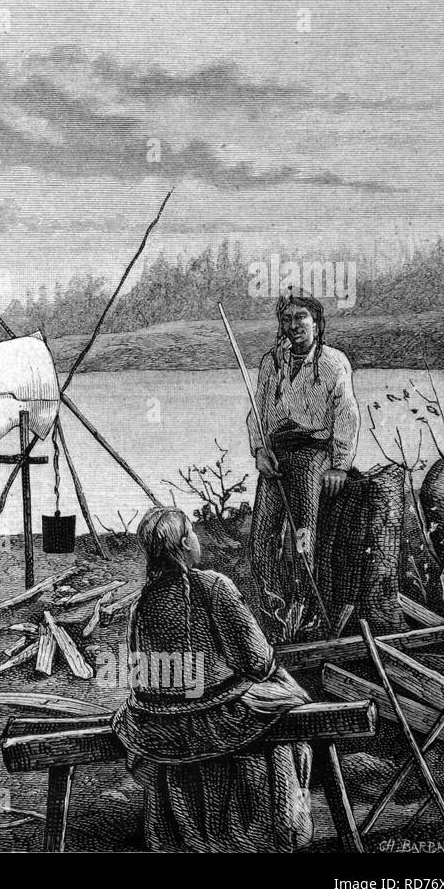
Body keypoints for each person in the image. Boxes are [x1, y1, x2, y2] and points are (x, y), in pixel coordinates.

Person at [113, 508, 314, 852]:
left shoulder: (140, 604)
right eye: (191, 532)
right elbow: (258, 660)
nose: (196, 538)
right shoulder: (216, 586)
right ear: (183, 543)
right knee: (286, 698)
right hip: (222, 717)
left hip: (162, 727)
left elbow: (142, 679)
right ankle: (267, 825)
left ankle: (193, 833)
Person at [246, 291, 359, 635]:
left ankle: (305, 610)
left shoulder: (332, 362)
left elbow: (347, 414)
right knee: (262, 536)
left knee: (303, 536)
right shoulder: (271, 362)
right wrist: (260, 451)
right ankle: (273, 609)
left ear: (316, 322)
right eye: (287, 319)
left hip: (315, 452)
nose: (293, 326)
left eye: (301, 318)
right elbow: (258, 411)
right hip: (278, 453)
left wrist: (340, 464)